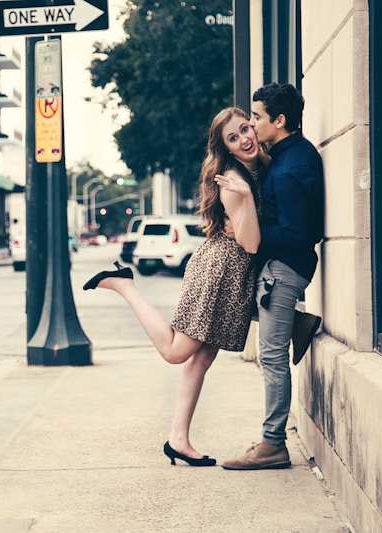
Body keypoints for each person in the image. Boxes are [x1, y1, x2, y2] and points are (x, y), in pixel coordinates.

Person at [83, 107, 265, 467]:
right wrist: (244, 196)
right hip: (218, 270)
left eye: (246, 128)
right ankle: (124, 286)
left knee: (204, 355)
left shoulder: (259, 166)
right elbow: (252, 244)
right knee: (176, 351)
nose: (244, 138)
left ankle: (178, 439)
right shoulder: (232, 179)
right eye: (233, 137)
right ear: (225, 148)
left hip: (232, 274)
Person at [221, 83, 325, 471]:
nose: (252, 123)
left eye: (258, 117)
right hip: (285, 270)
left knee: (272, 357)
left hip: (285, 271)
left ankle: (272, 443)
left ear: (279, 121)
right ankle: (299, 323)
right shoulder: (292, 155)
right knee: (271, 349)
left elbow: (298, 234)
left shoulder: (288, 169)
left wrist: (250, 232)